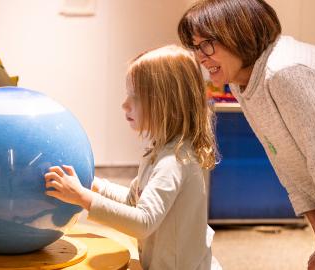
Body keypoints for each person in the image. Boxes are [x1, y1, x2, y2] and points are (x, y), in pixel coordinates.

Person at [177, 0, 315, 270]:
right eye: (195, 47)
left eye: (206, 44)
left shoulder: (286, 73)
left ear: (239, 33)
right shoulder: (244, 83)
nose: (200, 57)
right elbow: (291, 170)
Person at [43, 45, 222, 270]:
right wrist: (94, 185)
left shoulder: (173, 162)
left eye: (134, 97)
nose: (124, 104)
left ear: (167, 104)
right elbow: (133, 200)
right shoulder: (160, 151)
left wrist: (82, 197)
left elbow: (143, 222)